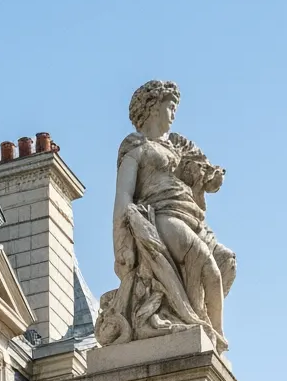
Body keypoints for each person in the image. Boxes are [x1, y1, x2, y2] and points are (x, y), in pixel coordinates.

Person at [96, 78, 235, 351]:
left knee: (225, 262)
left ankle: (208, 329)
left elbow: (204, 179)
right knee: (205, 264)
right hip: (161, 215)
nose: (173, 114)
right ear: (152, 108)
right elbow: (122, 199)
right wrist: (121, 246)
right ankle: (207, 329)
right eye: (170, 107)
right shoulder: (136, 149)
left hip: (190, 216)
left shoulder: (179, 148)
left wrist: (206, 180)